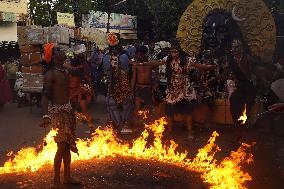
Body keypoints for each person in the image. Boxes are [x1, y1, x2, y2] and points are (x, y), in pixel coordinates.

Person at [40, 43, 81, 188]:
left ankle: (67, 177)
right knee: (62, 146)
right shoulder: (50, 74)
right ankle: (56, 180)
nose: (62, 52)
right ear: (53, 56)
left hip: (68, 111)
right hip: (58, 113)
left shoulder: (65, 70)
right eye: (58, 51)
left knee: (67, 146)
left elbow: (78, 72)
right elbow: (45, 96)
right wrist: (45, 115)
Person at [165, 39, 215, 139]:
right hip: (173, 89)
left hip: (185, 89)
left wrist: (209, 67)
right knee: (170, 111)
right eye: (172, 52)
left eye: (176, 51)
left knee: (188, 111)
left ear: (179, 51)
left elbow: (199, 66)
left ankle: (190, 132)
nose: (174, 54)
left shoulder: (187, 60)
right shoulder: (168, 60)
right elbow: (157, 63)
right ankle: (169, 131)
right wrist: (142, 64)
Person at [103, 33, 134, 134]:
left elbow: (128, 71)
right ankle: (116, 124)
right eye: (113, 46)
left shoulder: (125, 55)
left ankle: (124, 124)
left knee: (126, 103)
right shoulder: (107, 56)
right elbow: (106, 71)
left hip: (123, 83)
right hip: (112, 83)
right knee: (111, 103)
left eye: (116, 46)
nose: (114, 48)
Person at [65, 44, 93, 123]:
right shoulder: (78, 62)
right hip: (77, 83)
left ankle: (83, 115)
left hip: (81, 83)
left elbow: (82, 72)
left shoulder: (82, 63)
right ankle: (78, 115)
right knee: (76, 99)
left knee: (81, 98)